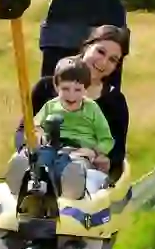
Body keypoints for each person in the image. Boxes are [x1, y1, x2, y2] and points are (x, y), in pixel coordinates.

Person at [12, 24, 130, 183]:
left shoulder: (115, 102)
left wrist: (98, 155)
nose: (103, 63)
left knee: (82, 175)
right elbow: (23, 130)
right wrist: (33, 142)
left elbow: (117, 153)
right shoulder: (45, 88)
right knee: (33, 164)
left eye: (112, 60)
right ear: (87, 46)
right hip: (45, 153)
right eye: (100, 52)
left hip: (85, 164)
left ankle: (71, 187)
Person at [11, 57, 115, 199]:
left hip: (79, 152)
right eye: (65, 89)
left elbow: (106, 139)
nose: (71, 95)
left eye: (77, 90)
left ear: (86, 89)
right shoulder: (51, 106)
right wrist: (38, 134)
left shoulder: (92, 109)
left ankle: (73, 191)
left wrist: (94, 152)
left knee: (77, 167)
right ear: (56, 87)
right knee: (40, 159)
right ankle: (25, 182)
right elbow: (36, 125)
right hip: (52, 147)